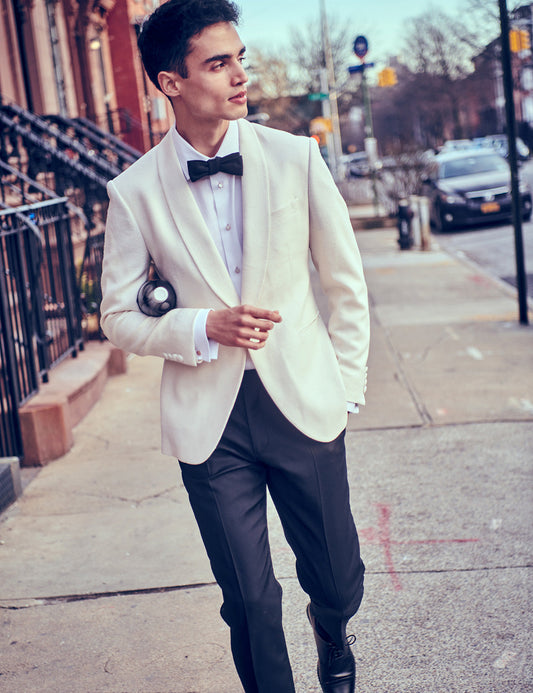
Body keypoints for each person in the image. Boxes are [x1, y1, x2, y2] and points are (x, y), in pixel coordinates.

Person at [99, 1, 370, 691]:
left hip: (302, 402)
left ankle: (332, 632)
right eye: (217, 64)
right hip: (209, 419)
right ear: (170, 82)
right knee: (248, 600)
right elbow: (116, 317)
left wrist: (343, 386)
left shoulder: (295, 157)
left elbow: (343, 284)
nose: (239, 76)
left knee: (337, 577)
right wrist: (200, 326)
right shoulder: (133, 192)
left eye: (239, 58)